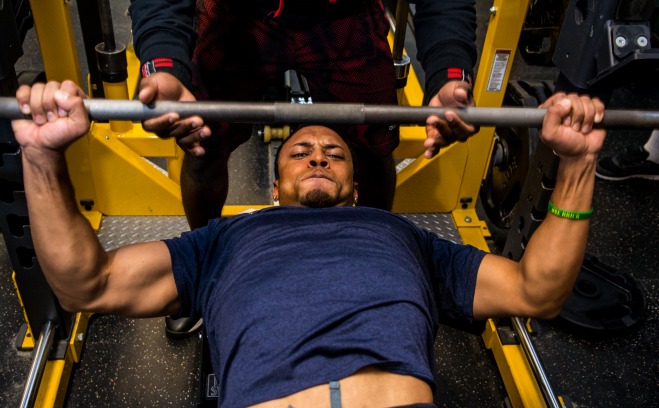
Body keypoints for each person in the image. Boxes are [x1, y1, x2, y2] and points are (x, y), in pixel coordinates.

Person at [12, 81, 605, 407]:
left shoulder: (402, 236)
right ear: (274, 187)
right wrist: (41, 158)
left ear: (355, 188)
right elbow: (83, 283)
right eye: (300, 152)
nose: (318, 154)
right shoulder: (227, 239)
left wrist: (578, 164)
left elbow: (537, 291)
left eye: (334, 153)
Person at [129, 0, 481, 337]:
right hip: (238, 18)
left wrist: (449, 72)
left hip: (343, 16)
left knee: (374, 149)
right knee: (201, 144)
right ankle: (200, 274)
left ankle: (374, 258)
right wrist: (163, 63)